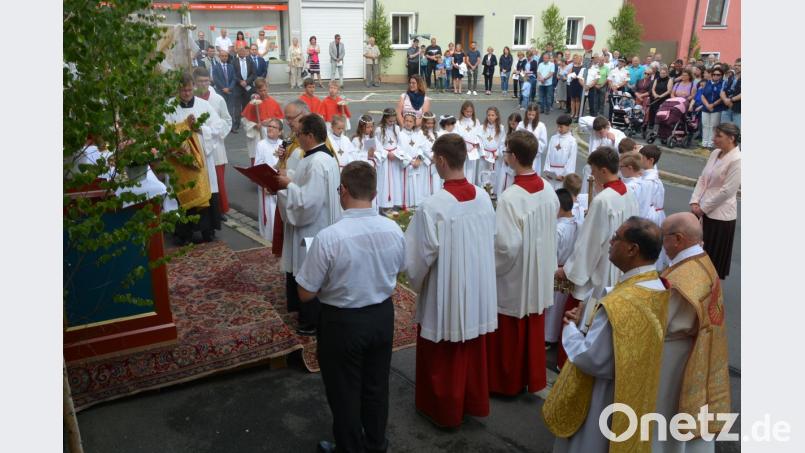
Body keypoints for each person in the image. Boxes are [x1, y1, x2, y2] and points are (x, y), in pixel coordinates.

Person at [296, 161, 405, 453]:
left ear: (343, 191)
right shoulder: (393, 229)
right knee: (376, 386)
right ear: (375, 192)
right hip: (382, 315)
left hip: (342, 321)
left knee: (344, 391)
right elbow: (400, 268)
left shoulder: (330, 237)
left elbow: (305, 293)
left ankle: (350, 448)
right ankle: (375, 442)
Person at [544, 217, 669, 453]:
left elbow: (591, 358)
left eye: (617, 238)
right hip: (633, 390)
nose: (610, 242)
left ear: (633, 249)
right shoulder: (655, 286)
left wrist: (570, 326)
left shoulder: (621, 302)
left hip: (604, 398)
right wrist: (589, 316)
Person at [404, 133, 497, 428]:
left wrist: (416, 281)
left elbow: (417, 257)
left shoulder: (434, 206)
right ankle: (471, 402)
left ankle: (442, 409)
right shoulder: (483, 197)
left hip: (447, 288)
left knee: (443, 351)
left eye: (434, 159)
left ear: (442, 161)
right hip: (477, 287)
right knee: (471, 346)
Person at [487, 130, 559, 396]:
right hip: (538, 270)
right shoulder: (548, 189)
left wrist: (491, 267)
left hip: (516, 274)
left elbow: (506, 245)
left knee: (510, 330)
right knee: (532, 322)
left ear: (514, 157)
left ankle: (507, 382)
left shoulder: (510, 197)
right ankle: (532, 377)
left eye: (506, 152)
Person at [655, 212, 731, 453]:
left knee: (666, 415)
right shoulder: (703, 260)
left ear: (678, 239)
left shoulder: (681, 280)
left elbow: (659, 322)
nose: (661, 245)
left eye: (663, 237)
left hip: (675, 359)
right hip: (702, 350)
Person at [555, 146, 640, 335]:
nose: (592, 176)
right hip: (620, 265)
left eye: (593, 170)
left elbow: (589, 243)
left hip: (600, 267)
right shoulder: (628, 193)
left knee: (585, 315)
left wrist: (569, 270)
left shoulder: (603, 201)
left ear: (603, 170)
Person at [274, 114, 342, 336]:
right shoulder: (322, 158)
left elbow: (307, 202)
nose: (296, 137)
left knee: (309, 270)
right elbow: (306, 184)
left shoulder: (316, 162)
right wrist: (289, 177)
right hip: (319, 223)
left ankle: (311, 320)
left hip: (313, 228)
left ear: (310, 135)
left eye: (299, 133)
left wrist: (286, 187)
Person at [164, 73, 226, 244]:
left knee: (206, 193)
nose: (186, 93)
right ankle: (184, 233)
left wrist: (199, 128)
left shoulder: (203, 105)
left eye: (189, 90)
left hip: (202, 160)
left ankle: (208, 231)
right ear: (178, 89)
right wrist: (181, 133)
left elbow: (218, 126)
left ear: (193, 88)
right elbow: (163, 132)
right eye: (183, 90)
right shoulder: (168, 107)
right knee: (182, 194)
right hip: (180, 162)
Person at [690, 123, 740, 279]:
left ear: (731, 138)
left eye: (719, 136)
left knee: (712, 261)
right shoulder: (715, 153)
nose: (714, 139)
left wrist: (703, 208)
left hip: (719, 216)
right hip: (701, 209)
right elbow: (703, 178)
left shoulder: (737, 160)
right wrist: (695, 200)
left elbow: (727, 191)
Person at [193, 67, 232, 216]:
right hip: (197, 145)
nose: (204, 84)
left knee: (218, 181)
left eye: (206, 81)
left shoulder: (218, 99)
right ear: (195, 82)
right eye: (200, 81)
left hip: (216, 145)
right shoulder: (192, 100)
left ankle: (221, 211)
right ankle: (205, 212)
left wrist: (216, 133)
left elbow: (227, 120)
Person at [544, 188, 578, 348]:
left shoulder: (558, 229)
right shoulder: (578, 224)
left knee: (551, 306)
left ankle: (547, 337)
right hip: (569, 269)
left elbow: (550, 251)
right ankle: (554, 336)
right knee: (560, 305)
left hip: (555, 269)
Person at [241, 78, 284, 166]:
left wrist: (271, 121)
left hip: (270, 133)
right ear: (257, 90)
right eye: (260, 91)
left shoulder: (273, 102)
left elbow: (280, 120)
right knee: (258, 154)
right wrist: (254, 125)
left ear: (267, 88)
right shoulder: (253, 103)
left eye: (264, 90)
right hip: (257, 133)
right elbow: (245, 120)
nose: (263, 93)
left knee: (271, 154)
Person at [254, 118, 283, 241]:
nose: (269, 128)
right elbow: (258, 166)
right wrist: (264, 183)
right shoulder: (261, 144)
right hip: (266, 184)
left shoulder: (283, 144)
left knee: (280, 210)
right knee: (269, 211)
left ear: (280, 131)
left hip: (281, 183)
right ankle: (267, 237)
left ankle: (280, 236)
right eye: (269, 126)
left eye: (273, 127)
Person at [374, 108, 403, 211]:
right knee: (385, 181)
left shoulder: (397, 129)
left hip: (394, 158)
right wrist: (386, 153)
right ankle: (385, 204)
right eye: (390, 121)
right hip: (385, 159)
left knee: (395, 181)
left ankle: (396, 203)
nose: (392, 123)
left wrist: (395, 154)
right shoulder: (379, 130)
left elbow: (400, 143)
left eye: (394, 121)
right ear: (385, 118)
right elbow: (378, 145)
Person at [543, 114, 577, 190]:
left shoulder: (572, 141)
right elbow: (548, 155)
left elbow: (571, 160)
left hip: (562, 174)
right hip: (551, 173)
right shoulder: (553, 138)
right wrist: (547, 170)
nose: (559, 129)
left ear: (568, 126)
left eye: (561, 127)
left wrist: (564, 175)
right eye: (558, 126)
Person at [639, 144, 666, 226]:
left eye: (641, 158)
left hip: (649, 218)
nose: (638, 160)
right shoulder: (652, 177)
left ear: (650, 160)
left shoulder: (649, 182)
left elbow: (644, 205)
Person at [516, 103, 547, 173]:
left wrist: (533, 149)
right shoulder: (521, 124)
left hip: (534, 157)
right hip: (522, 156)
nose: (531, 117)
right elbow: (516, 139)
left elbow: (543, 143)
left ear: (537, 115)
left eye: (533, 115)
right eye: (529, 114)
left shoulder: (541, 126)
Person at [211, 50, 237, 133]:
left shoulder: (231, 67)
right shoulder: (215, 67)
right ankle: (222, 128)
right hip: (220, 92)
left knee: (230, 110)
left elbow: (234, 78)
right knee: (221, 110)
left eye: (226, 56)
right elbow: (215, 79)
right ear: (219, 56)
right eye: (222, 56)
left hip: (230, 92)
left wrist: (229, 88)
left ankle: (231, 127)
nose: (224, 57)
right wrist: (223, 88)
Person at [479, 106, 504, 188]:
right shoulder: (482, 127)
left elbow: (502, 142)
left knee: (494, 173)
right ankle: (483, 188)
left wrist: (497, 153)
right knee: (483, 172)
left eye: (493, 115)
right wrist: (482, 152)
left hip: (494, 155)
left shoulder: (501, 128)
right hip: (485, 155)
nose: (490, 117)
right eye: (489, 115)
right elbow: (480, 141)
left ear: (496, 116)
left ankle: (492, 190)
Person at [457, 101, 482, 184]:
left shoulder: (476, 122)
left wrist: (476, 144)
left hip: (473, 150)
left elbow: (479, 134)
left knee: (471, 169)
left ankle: (470, 185)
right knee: (462, 169)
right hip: (462, 150)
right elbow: (457, 135)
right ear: (463, 111)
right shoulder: (458, 123)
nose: (469, 113)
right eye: (467, 111)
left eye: (471, 111)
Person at [234, 47, 257, 132]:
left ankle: (247, 122)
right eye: (240, 51)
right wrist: (240, 81)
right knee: (237, 107)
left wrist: (246, 82)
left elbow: (253, 74)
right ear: (238, 52)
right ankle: (236, 124)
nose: (242, 52)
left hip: (248, 86)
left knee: (247, 105)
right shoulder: (234, 61)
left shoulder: (250, 61)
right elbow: (233, 74)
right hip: (238, 87)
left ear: (246, 52)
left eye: (244, 51)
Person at [649, 65, 673, 130]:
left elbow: (669, 91)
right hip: (655, 98)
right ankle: (652, 126)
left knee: (660, 113)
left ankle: (660, 128)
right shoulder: (657, 79)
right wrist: (655, 95)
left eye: (664, 73)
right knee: (653, 112)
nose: (662, 74)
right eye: (661, 73)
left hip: (664, 99)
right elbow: (653, 89)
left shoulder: (669, 80)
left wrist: (660, 96)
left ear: (667, 73)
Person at [720, 58, 741, 127]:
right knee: (725, 129)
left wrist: (731, 100)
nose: (736, 67)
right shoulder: (730, 77)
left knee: (737, 130)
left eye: (739, 65)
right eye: (735, 65)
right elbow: (722, 90)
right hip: (726, 107)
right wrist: (725, 100)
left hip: (738, 109)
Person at [567, 54, 584, 120]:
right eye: (577, 59)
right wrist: (571, 76)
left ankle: (577, 113)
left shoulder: (583, 67)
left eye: (580, 59)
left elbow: (583, 76)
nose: (578, 60)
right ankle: (572, 112)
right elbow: (568, 74)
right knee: (572, 99)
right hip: (573, 83)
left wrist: (578, 77)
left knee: (577, 99)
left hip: (579, 84)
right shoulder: (572, 66)